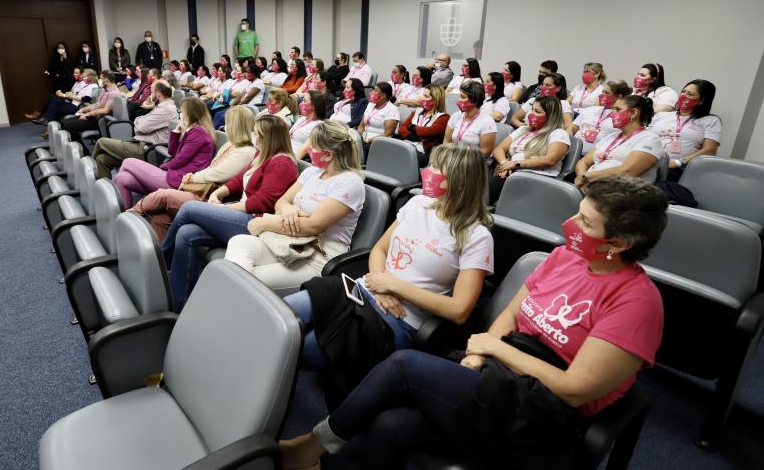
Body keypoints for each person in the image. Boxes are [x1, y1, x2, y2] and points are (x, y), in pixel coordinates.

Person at [280, 175, 668, 470]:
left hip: (544, 413)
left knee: (402, 366)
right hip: (502, 374)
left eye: (585, 222)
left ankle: (313, 446)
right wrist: (482, 352)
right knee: (391, 425)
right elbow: (513, 313)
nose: (571, 224)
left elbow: (575, 389)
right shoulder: (565, 258)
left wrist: (492, 347)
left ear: (618, 244)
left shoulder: (637, 302)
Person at [283, 143, 493, 382]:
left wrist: (392, 286)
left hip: (398, 320)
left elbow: (459, 311)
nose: (427, 171)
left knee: (303, 348)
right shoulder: (417, 204)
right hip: (362, 290)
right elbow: (380, 249)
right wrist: (378, 284)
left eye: (436, 167)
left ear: (458, 180)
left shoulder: (477, 237)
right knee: (285, 315)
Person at [158, 115, 297, 310]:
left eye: (256, 133)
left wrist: (224, 208)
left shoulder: (282, 163)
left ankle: (159, 263)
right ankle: (181, 303)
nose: (253, 136)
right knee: (186, 233)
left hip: (255, 223)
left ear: (267, 138)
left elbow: (263, 201)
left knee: (189, 208)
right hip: (241, 214)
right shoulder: (262, 155)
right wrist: (218, 192)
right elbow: (240, 179)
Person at [224, 120, 365, 294]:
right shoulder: (312, 172)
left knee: (245, 280)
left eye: (312, 146)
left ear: (328, 155)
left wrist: (263, 223)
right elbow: (280, 203)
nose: (307, 150)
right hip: (290, 241)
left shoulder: (351, 183)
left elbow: (313, 226)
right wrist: (289, 210)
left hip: (318, 255)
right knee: (238, 243)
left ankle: (234, 306)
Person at [114, 97, 215, 207]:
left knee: (128, 162)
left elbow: (180, 160)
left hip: (179, 181)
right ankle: (126, 214)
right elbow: (172, 152)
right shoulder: (193, 130)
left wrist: (162, 167)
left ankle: (129, 210)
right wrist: (176, 132)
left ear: (190, 113)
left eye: (183, 111)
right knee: (121, 178)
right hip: (175, 176)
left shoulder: (198, 132)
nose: (181, 114)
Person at [491, 95, 571, 203]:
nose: (531, 113)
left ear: (551, 116)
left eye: (537, 111)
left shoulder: (559, 133)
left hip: (536, 178)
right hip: (512, 173)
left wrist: (515, 164)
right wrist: (504, 163)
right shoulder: (524, 129)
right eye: (532, 109)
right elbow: (499, 148)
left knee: (485, 192)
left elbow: (550, 160)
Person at [91, 81, 177, 177]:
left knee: (101, 142)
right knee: (101, 159)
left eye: (152, 93)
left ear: (158, 94)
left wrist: (138, 120)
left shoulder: (165, 109)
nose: (150, 95)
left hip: (146, 150)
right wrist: (140, 118)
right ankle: (104, 189)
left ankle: (88, 173)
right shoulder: (161, 107)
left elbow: (139, 128)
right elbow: (140, 123)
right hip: (140, 144)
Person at [575, 95, 662, 185]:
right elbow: (583, 162)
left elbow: (627, 172)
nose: (612, 114)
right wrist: (581, 177)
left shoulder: (650, 139)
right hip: (592, 185)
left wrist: (587, 176)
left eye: (618, 109)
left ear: (634, 113)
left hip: (623, 191)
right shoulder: (611, 136)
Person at [647, 79, 721, 181]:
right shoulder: (660, 115)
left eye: (690, 94)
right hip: (649, 161)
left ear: (701, 100)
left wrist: (678, 163)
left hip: (679, 168)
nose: (684, 96)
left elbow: (710, 150)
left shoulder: (710, 121)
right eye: (683, 91)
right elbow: (645, 138)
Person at [569, 79, 631, 154]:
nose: (602, 95)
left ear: (618, 96)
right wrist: (567, 142)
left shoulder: (621, 118)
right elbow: (571, 128)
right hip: (571, 152)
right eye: (603, 92)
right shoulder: (590, 110)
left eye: (606, 93)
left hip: (595, 157)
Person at [61, 70, 119, 143]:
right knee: (63, 122)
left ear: (106, 80)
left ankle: (82, 150)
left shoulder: (114, 93)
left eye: (101, 79)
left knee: (68, 125)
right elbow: (97, 104)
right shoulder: (105, 90)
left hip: (98, 120)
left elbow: (105, 110)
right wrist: (83, 109)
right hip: (92, 115)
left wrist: (87, 114)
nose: (99, 80)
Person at [399, 84, 450, 166]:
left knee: (398, 156)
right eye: (423, 95)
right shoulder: (418, 111)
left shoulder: (443, 117)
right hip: (406, 144)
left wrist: (412, 128)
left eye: (426, 96)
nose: (422, 98)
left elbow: (428, 132)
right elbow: (402, 128)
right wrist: (410, 135)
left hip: (422, 152)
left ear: (436, 99)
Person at [444, 81, 496, 158]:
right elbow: (447, 141)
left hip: (472, 162)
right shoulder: (455, 116)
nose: (459, 100)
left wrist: (461, 157)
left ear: (475, 100)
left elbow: (485, 152)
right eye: (460, 96)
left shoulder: (487, 121)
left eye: (463, 97)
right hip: (453, 157)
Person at [31, 68, 99, 125]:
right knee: (54, 104)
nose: (83, 78)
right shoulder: (86, 84)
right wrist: (69, 95)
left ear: (90, 77)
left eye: (84, 77)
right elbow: (77, 94)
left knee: (54, 108)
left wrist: (72, 96)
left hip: (77, 106)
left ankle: (46, 121)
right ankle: (46, 120)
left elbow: (86, 99)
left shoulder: (93, 86)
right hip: (73, 103)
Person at [358, 82, 400, 157]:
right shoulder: (371, 105)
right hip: (364, 139)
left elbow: (387, 133)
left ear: (383, 95)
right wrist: (358, 138)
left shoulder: (392, 109)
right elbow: (361, 125)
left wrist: (368, 140)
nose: (371, 92)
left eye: (375, 91)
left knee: (358, 151)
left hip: (378, 141)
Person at [290, 90, 328, 158]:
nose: (301, 103)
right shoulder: (302, 118)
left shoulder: (319, 126)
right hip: (285, 150)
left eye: (304, 100)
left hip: (294, 156)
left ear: (313, 106)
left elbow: (305, 150)